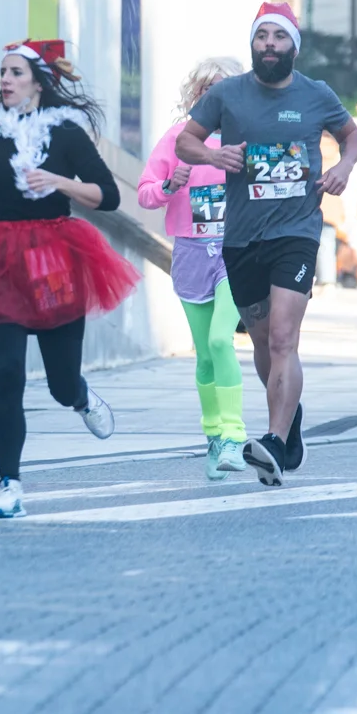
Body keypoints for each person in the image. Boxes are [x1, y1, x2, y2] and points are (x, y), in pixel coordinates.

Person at [0, 40, 137, 517]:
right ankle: (10, 486)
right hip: (1, 258)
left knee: (60, 382)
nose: (4, 80)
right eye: (2, 72)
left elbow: (109, 195)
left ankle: (80, 397)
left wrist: (59, 181)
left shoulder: (66, 132)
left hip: (54, 259)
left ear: (38, 83)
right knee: (7, 374)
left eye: (15, 73)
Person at [178, 2, 357, 486]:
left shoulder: (316, 94)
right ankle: (290, 415)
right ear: (253, 44)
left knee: (283, 338)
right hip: (242, 237)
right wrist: (214, 156)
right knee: (262, 342)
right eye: (262, 37)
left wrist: (343, 168)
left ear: (293, 47)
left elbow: (352, 137)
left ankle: (275, 442)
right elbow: (185, 142)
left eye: (279, 37)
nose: (269, 45)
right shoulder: (227, 94)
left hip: (296, 232)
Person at [139, 56, 249, 480]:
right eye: (206, 89)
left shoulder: (247, 137)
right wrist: (170, 186)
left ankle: (234, 435)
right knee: (204, 355)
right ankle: (214, 434)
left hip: (234, 252)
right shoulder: (177, 138)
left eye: (222, 89)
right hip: (190, 251)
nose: (213, 97)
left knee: (222, 339)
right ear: (195, 95)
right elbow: (146, 193)